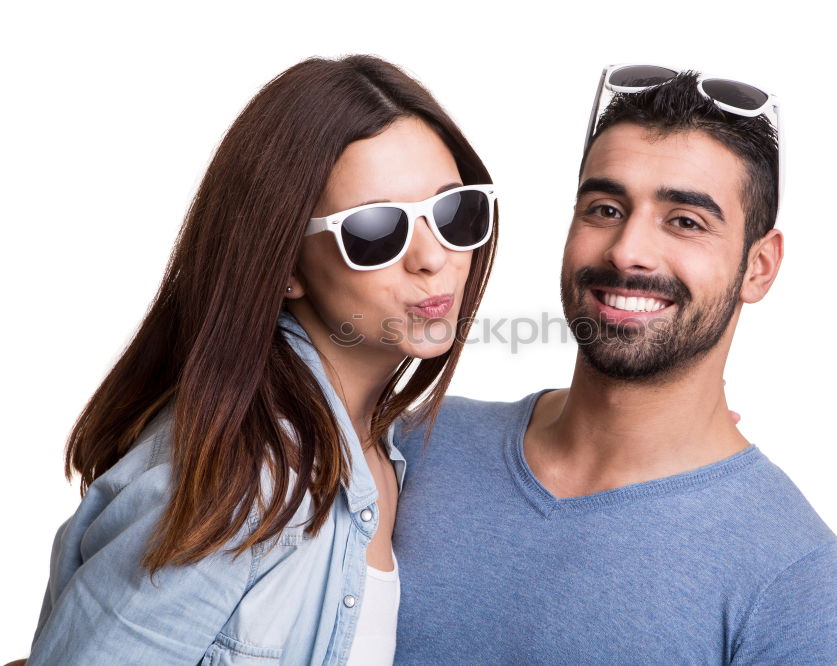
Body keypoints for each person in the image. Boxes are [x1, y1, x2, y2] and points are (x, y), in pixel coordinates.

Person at [21, 55, 498, 665]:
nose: (433, 258)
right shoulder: (245, 479)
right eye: (377, 230)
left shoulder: (389, 456)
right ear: (287, 265)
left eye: (455, 212)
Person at [392, 66, 837, 663]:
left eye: (685, 221)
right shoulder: (416, 447)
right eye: (604, 209)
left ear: (760, 267)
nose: (628, 251)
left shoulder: (800, 584)